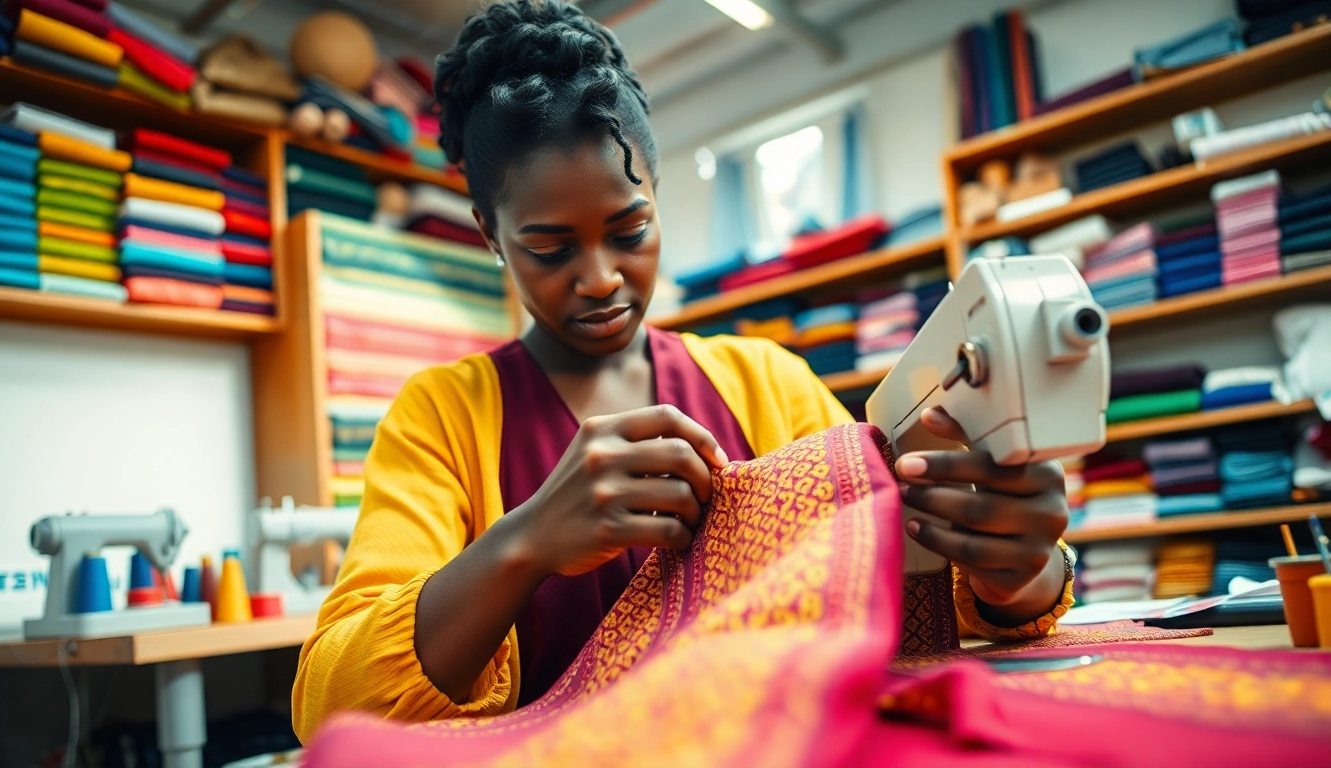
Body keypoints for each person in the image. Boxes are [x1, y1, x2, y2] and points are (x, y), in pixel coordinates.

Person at [292, 0, 1072, 742]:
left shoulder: (766, 383)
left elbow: (911, 597)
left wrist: (1017, 574)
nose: (599, 277)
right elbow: (331, 701)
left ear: (657, 199)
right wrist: (523, 544)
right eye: (550, 247)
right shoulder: (444, 415)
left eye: (630, 229)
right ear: (490, 235)